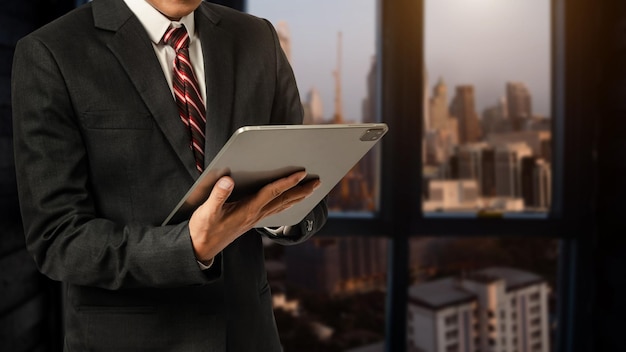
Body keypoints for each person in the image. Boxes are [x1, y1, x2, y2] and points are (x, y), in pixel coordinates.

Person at [11, 0, 328, 350]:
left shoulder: (257, 38)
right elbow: (57, 239)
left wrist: (275, 211)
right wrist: (190, 248)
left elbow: (309, 191)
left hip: (248, 336)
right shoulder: (52, 51)